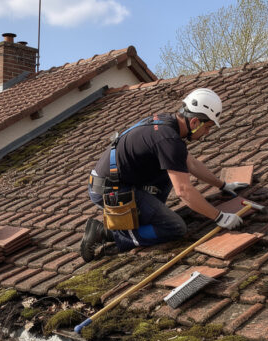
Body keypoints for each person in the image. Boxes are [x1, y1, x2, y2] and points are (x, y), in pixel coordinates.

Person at [80, 88, 249, 262]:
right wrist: (219, 216)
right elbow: (183, 191)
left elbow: (190, 163)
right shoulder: (169, 140)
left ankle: (146, 215)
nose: (207, 133)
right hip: (110, 190)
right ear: (195, 122)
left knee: (173, 168)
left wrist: (223, 185)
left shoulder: (167, 123)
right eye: (207, 127)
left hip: (115, 181)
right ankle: (106, 232)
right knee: (174, 227)